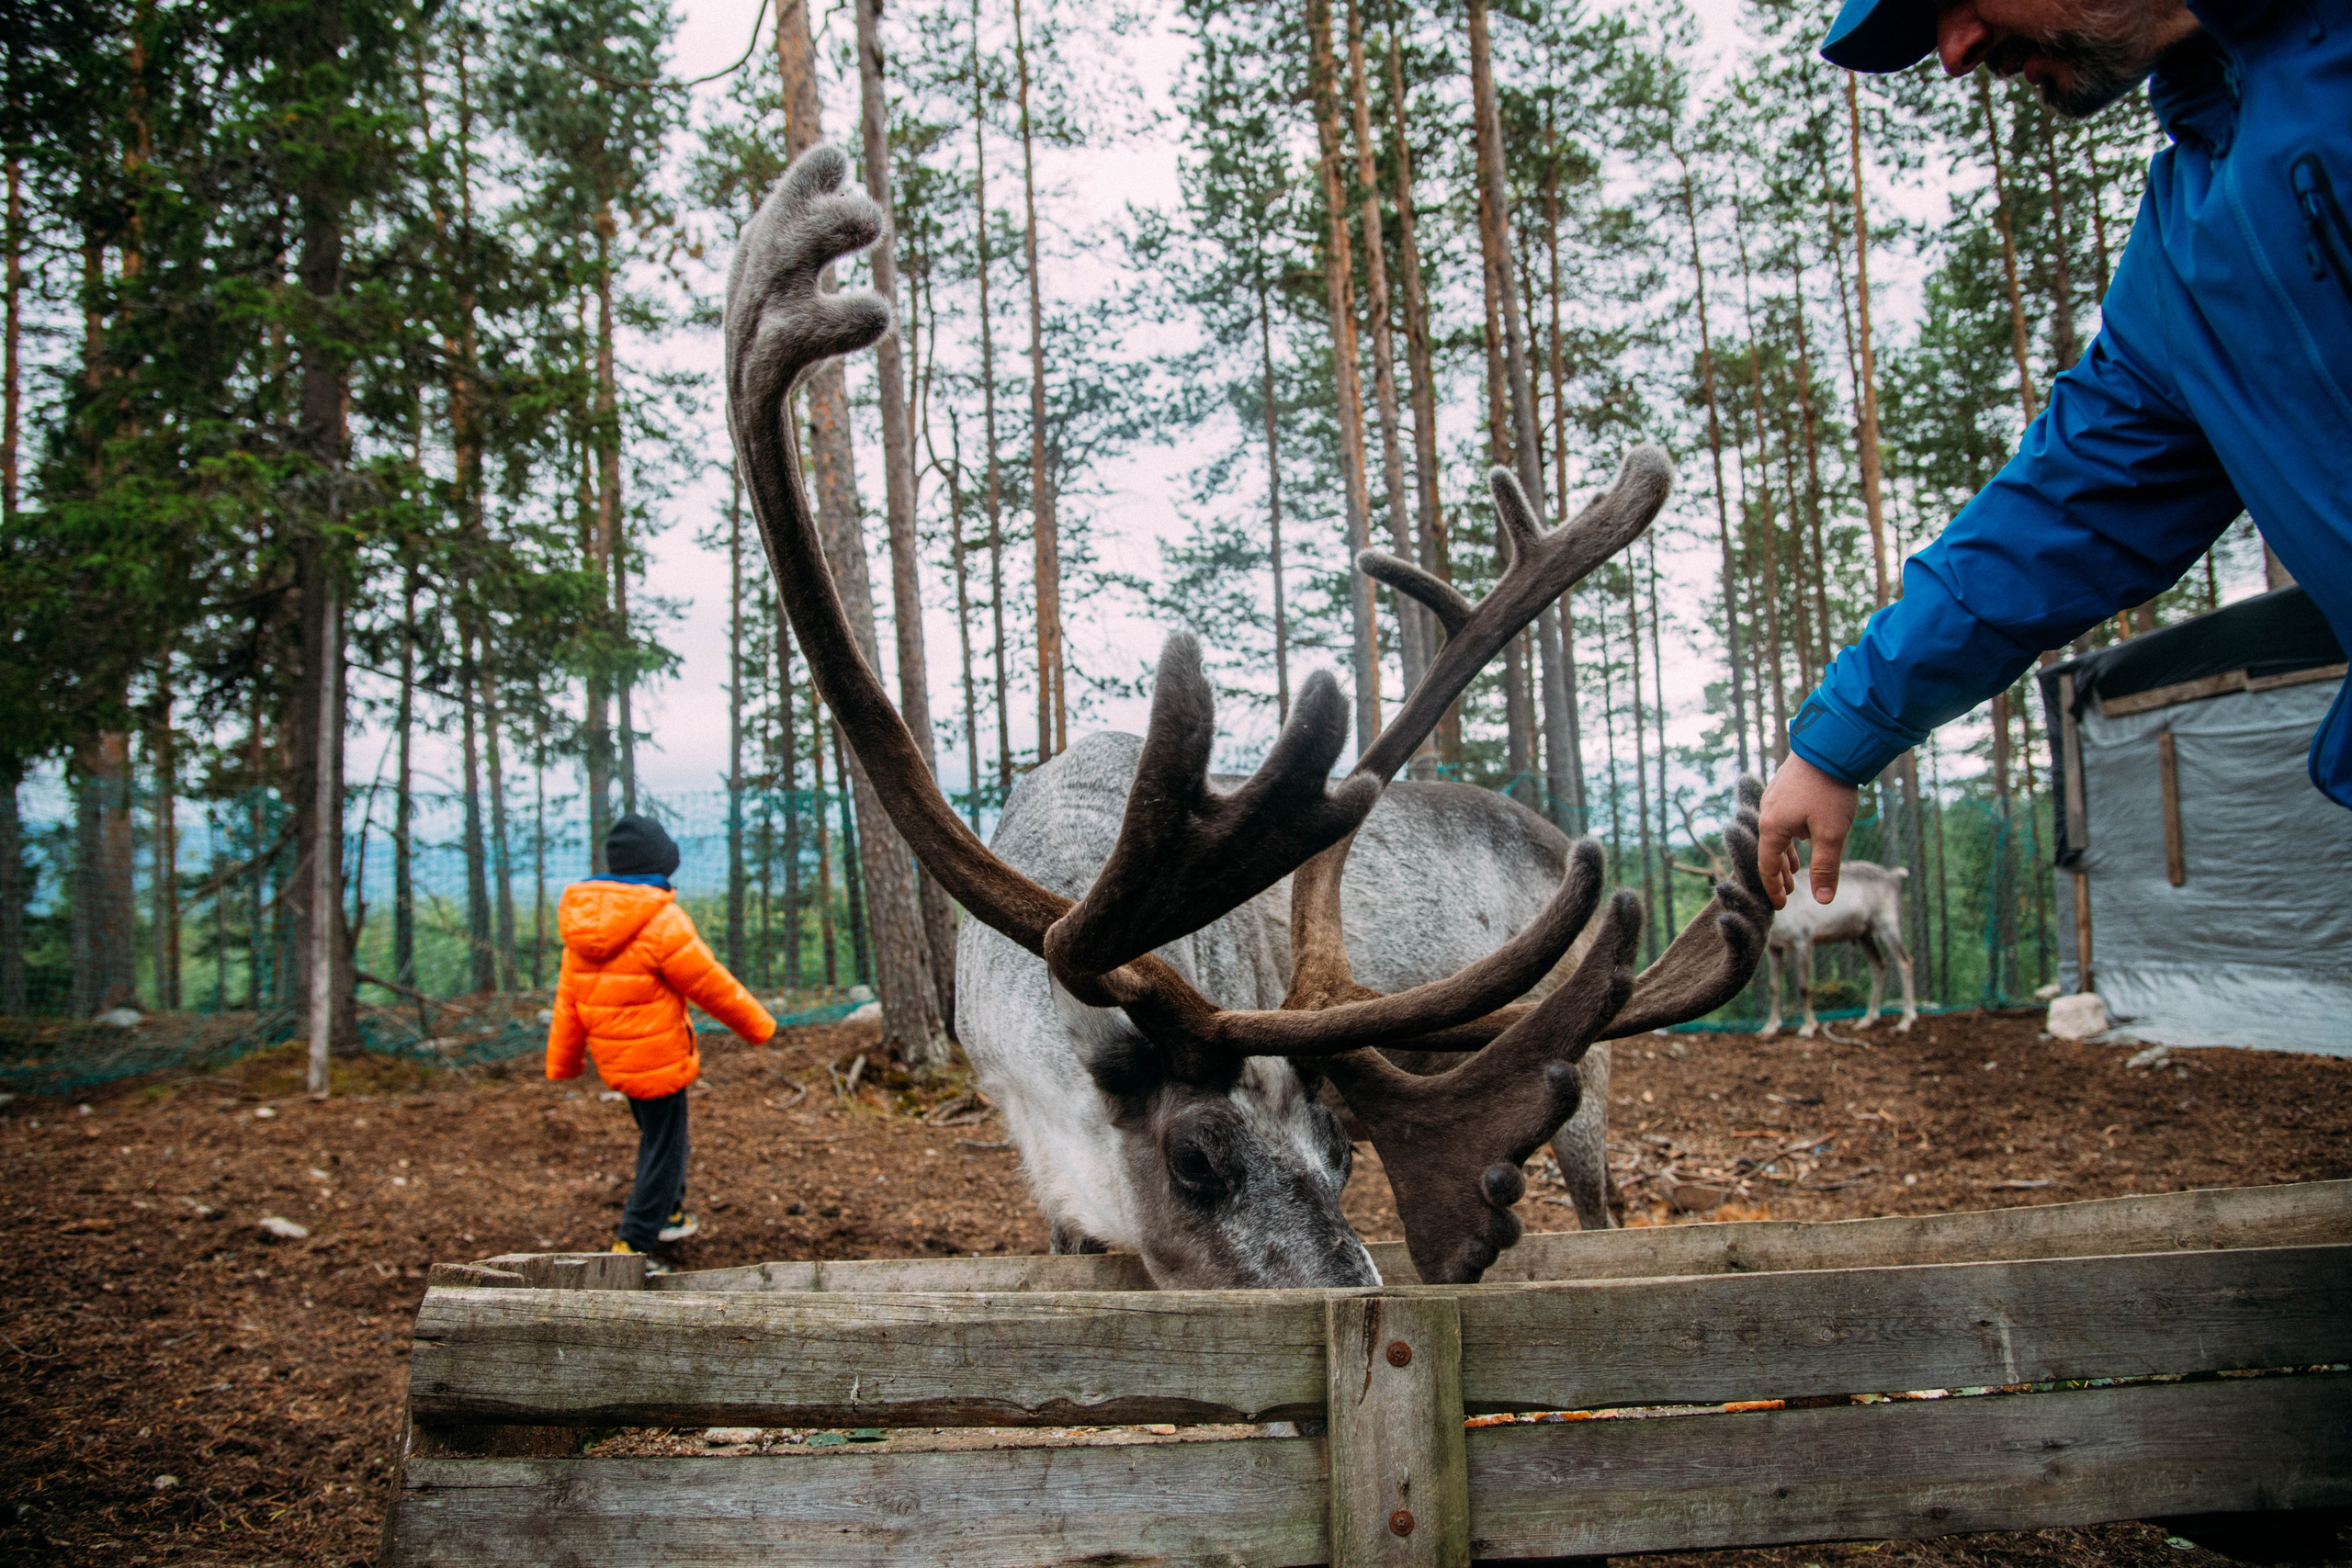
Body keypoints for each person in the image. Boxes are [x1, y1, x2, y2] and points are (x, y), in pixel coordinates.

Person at [1759, 0, 2352, 908]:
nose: (1954, 54)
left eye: (1955, 2)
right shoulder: (2190, 249)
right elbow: (2067, 508)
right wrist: (1834, 736)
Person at [546, 813, 776, 1261]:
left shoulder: (583, 924)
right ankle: (634, 1245)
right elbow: (711, 984)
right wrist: (758, 1025)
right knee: (664, 1149)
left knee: (660, 1138)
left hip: (618, 1061)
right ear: (659, 865)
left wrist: (565, 1061)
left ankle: (668, 1215)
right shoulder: (661, 921)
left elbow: (566, 1000)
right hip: (659, 1059)